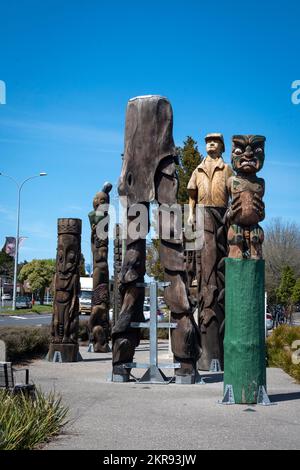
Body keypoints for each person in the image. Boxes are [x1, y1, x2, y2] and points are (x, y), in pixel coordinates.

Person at [187, 133, 233, 370]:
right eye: (208, 141)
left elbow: (234, 194)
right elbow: (192, 195)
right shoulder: (198, 169)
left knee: (220, 257)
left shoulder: (227, 169)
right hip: (203, 211)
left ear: (222, 146)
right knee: (206, 256)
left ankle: (219, 349)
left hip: (222, 212)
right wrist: (191, 214)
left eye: (215, 141)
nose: (211, 144)